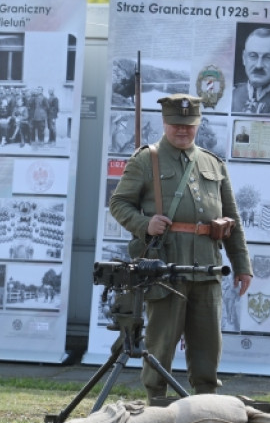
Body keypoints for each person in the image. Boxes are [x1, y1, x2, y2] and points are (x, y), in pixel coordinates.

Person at [108, 94, 253, 404]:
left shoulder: (213, 163)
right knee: (160, 345)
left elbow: (232, 218)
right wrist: (144, 224)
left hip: (206, 268)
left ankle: (207, 405)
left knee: (207, 346)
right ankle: (157, 404)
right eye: (176, 124)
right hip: (165, 268)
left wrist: (242, 265)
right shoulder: (147, 159)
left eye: (189, 125)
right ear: (165, 123)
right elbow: (118, 203)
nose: (183, 130)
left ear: (197, 123)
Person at [231, 27, 270, 116]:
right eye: (253, 56)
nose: (259, 65)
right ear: (244, 58)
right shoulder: (231, 94)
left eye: (268, 57)